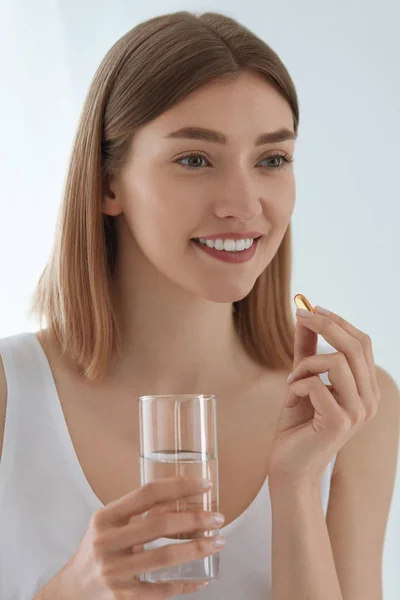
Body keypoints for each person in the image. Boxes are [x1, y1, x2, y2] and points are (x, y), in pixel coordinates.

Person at [1, 10, 399, 600]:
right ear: (109, 182)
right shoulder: (12, 396)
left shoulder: (351, 410)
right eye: (194, 159)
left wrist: (294, 489)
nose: (243, 204)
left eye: (272, 160)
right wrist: (73, 589)